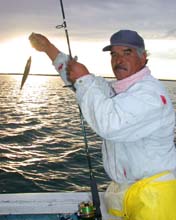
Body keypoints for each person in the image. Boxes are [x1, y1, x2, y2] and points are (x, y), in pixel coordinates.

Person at [29, 30, 176, 220]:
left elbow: (110, 124)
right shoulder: (121, 91)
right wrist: (48, 48)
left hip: (155, 198)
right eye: (114, 54)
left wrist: (83, 79)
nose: (118, 59)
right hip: (126, 193)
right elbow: (82, 84)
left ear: (144, 57)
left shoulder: (150, 95)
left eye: (127, 52)